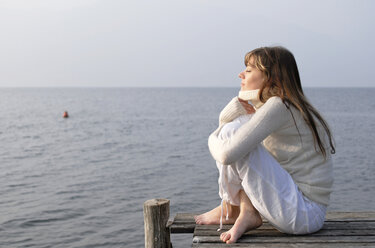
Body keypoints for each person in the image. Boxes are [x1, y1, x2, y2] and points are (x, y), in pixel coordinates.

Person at [194, 46, 335, 244]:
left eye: (249, 70)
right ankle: (240, 210)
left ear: (271, 78)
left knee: (232, 132)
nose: (241, 74)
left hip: (303, 214)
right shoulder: (286, 105)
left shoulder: (280, 105)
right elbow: (234, 150)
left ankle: (236, 209)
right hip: (302, 210)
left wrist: (212, 135)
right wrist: (225, 119)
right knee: (236, 131)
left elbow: (226, 154)